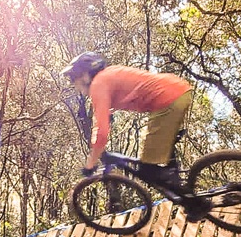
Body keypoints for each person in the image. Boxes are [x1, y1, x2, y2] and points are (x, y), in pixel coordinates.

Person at [62, 51, 193, 186]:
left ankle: (190, 199)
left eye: (74, 78)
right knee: (154, 157)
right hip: (178, 91)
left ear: (85, 76)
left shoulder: (98, 84)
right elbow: (104, 118)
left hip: (167, 100)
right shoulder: (108, 75)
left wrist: (90, 164)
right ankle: (182, 190)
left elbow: (101, 131)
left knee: (147, 169)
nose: (74, 84)